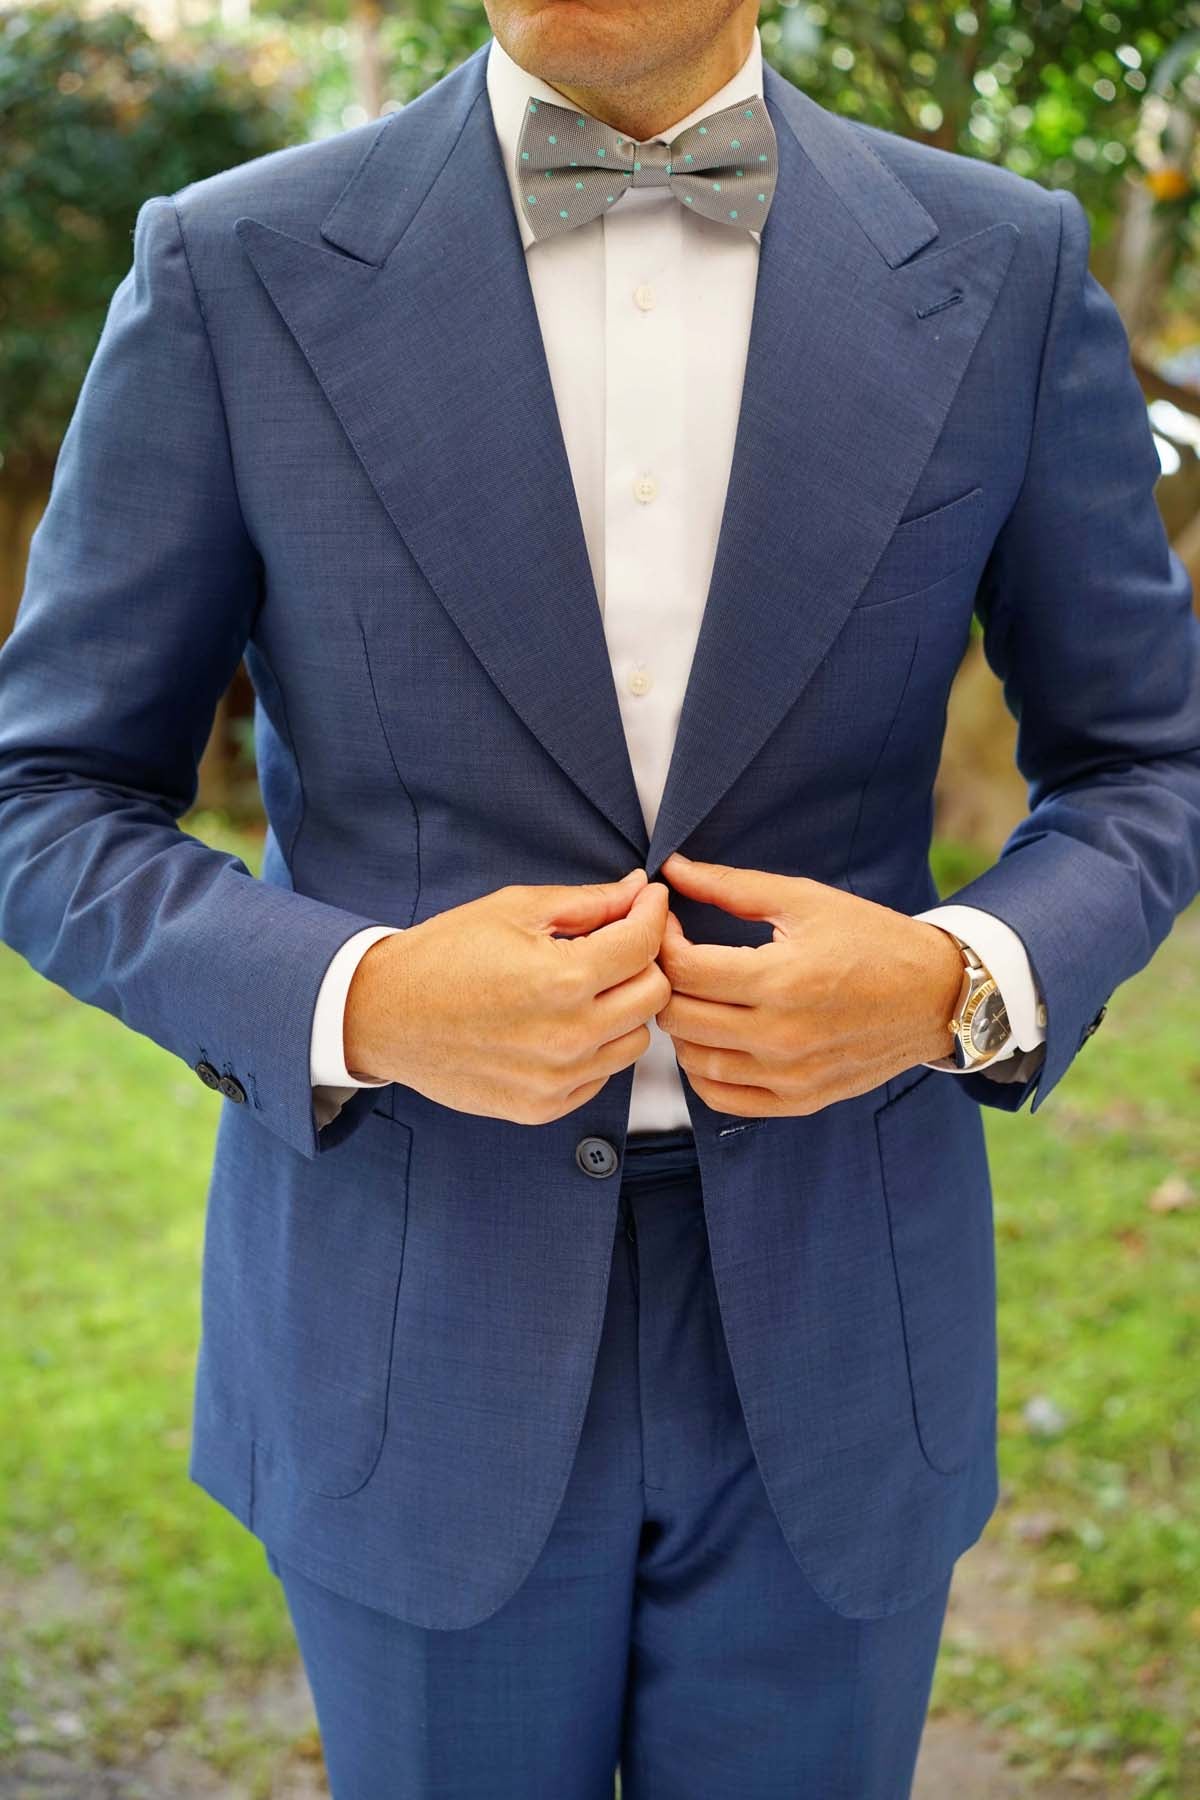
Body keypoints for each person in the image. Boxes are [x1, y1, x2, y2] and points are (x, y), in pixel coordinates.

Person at [1, 0, 1197, 1792]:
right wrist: (364, 999)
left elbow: (1146, 762)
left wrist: (962, 976)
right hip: (413, 1324)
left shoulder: (1003, 266)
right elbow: (49, 794)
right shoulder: (232, 266)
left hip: (839, 1320)